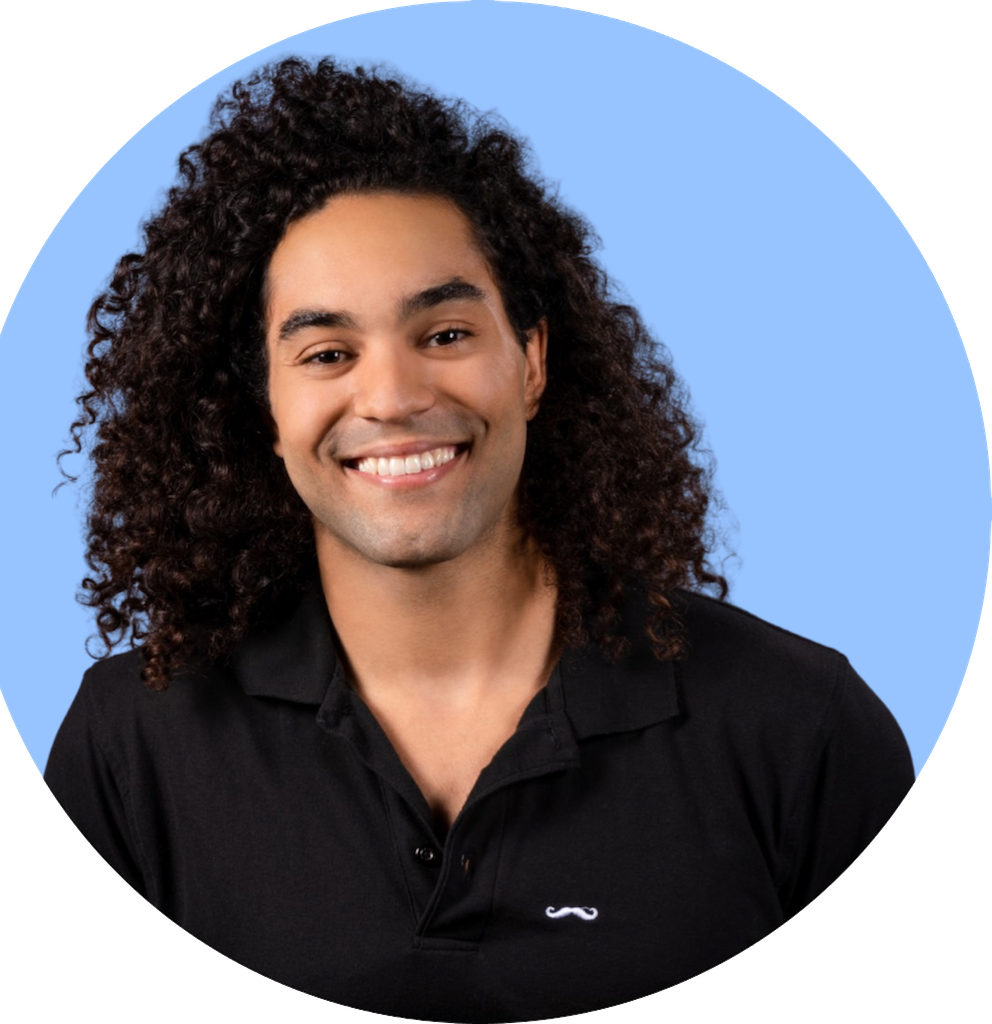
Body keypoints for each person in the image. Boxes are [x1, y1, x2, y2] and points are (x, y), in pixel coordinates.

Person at [44, 57, 914, 1020]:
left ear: (531, 360)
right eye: (327, 353)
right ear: (265, 412)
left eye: (446, 334)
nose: (393, 397)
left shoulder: (799, 729)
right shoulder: (133, 746)